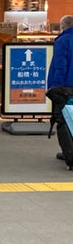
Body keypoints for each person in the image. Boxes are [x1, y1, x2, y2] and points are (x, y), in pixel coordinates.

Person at [47, 15, 73, 161]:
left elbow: (60, 66)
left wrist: (55, 88)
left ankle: (69, 153)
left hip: (66, 88)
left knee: (64, 120)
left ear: (63, 27)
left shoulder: (63, 41)